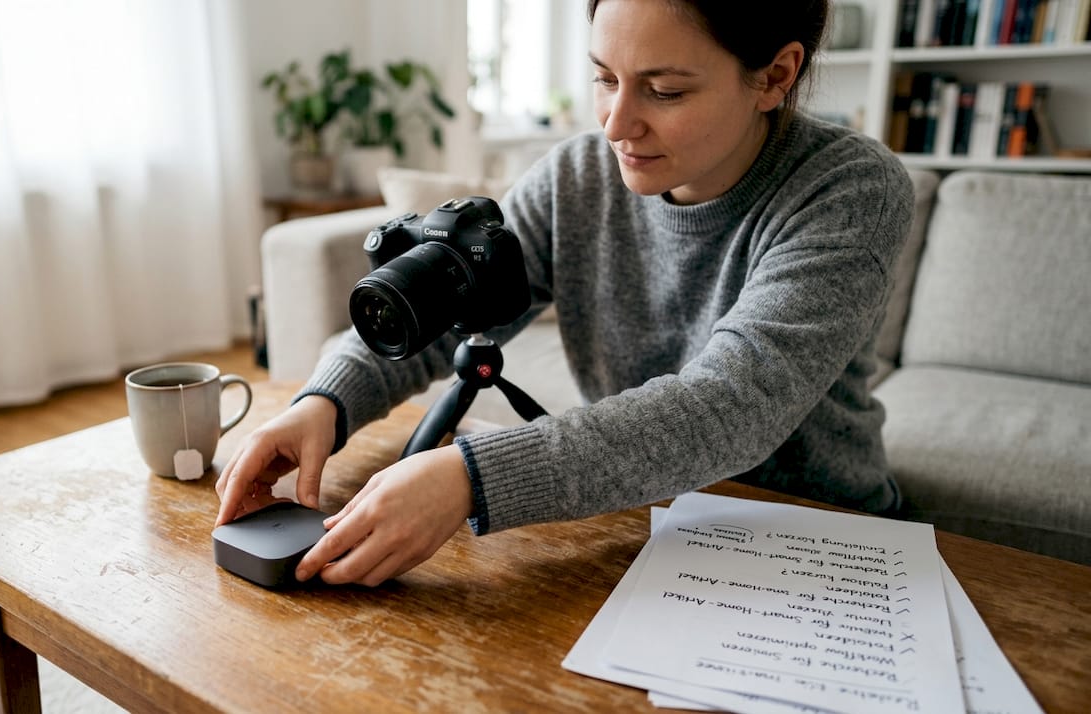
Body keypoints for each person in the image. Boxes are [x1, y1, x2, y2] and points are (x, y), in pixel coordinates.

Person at [216, 0, 914, 587]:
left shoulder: (850, 190)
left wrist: (468, 477)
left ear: (775, 75)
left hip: (815, 540)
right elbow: (446, 307)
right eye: (605, 78)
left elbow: (730, 407)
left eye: (664, 90)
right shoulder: (579, 176)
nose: (616, 124)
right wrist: (327, 401)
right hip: (635, 522)